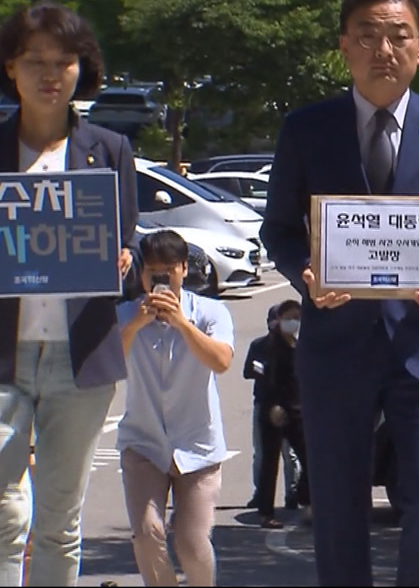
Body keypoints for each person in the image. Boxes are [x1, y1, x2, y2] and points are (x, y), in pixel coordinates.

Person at [260, 0, 419, 586]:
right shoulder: (307, 128)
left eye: (398, 37)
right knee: (337, 502)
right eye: (367, 36)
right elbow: (279, 230)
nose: (382, 50)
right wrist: (305, 274)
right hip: (336, 344)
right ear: (344, 46)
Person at [0, 0, 138, 586]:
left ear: (84, 68)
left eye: (65, 61)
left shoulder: (108, 150)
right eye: (35, 61)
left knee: (60, 522)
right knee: (4, 514)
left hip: (79, 360)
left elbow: (122, 255)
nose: (51, 74)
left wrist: (123, 262)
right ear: (10, 67)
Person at [116, 229, 235, 586]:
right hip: (143, 441)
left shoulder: (211, 312)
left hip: (197, 446)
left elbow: (222, 361)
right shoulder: (125, 315)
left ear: (184, 269)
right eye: (153, 272)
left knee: (192, 541)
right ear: (142, 274)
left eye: (169, 271)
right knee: (147, 532)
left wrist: (182, 323)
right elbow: (106, 364)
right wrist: (138, 323)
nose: (161, 280)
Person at [253, 299, 312, 529]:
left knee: (309, 458)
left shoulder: (300, 345)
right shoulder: (269, 346)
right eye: (288, 318)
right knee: (270, 461)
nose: (292, 322)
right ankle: (265, 512)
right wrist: (273, 406)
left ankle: (304, 499)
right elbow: (266, 380)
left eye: (296, 318)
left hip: (298, 411)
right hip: (273, 411)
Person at [242, 304, 300, 511]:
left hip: (293, 407)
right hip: (265, 405)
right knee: (264, 454)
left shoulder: (296, 346)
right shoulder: (260, 345)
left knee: (291, 454)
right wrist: (261, 370)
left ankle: (293, 493)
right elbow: (247, 371)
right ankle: (262, 497)